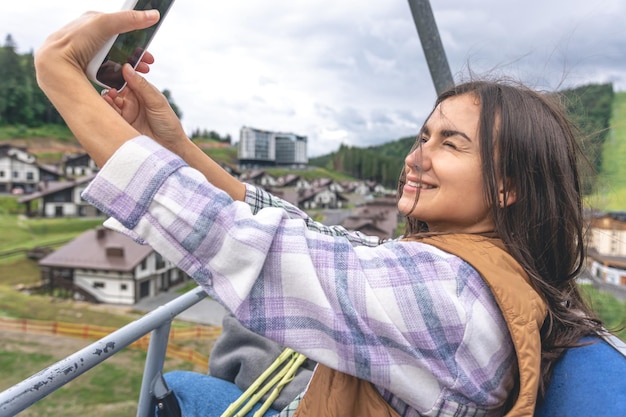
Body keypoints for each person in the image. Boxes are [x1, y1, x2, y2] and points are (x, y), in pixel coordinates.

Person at [35, 9, 612, 417]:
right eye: (423, 136)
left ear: (509, 186)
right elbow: (308, 234)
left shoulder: (448, 296)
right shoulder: (479, 267)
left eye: (451, 144)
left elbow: (250, 251)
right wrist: (177, 147)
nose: (416, 158)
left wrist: (61, 74)